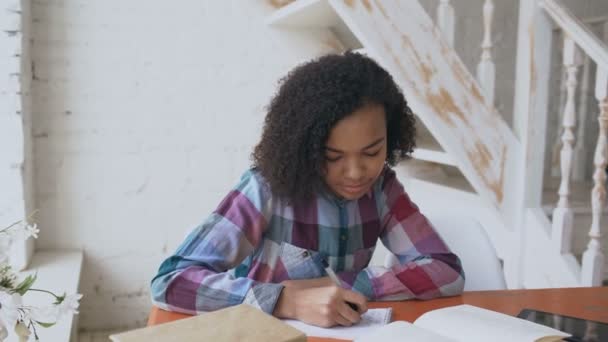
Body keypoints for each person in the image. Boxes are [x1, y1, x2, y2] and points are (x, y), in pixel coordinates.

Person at [150, 52, 465, 328]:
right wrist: (287, 301)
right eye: (332, 156)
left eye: (371, 153)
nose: (356, 173)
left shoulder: (383, 189)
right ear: (305, 147)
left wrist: (340, 284)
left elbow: (446, 272)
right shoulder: (266, 188)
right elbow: (170, 282)